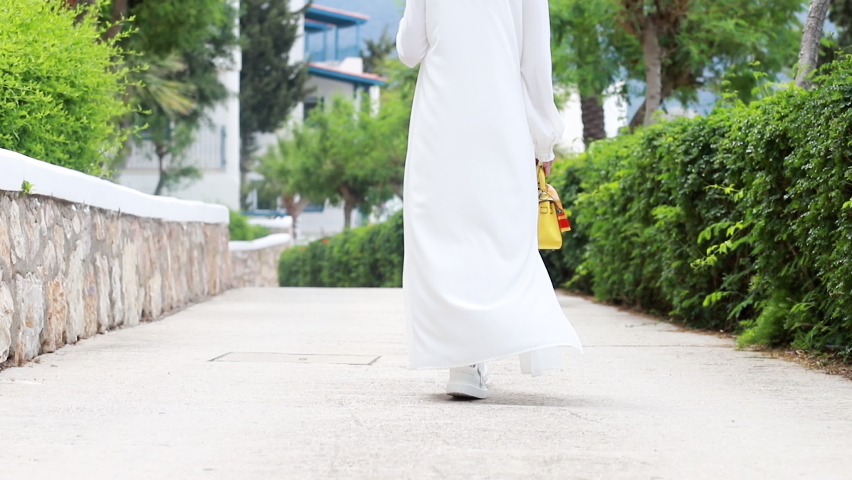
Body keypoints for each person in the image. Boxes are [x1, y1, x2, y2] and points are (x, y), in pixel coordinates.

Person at [397, 0, 583, 399]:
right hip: (501, 116)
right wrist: (543, 138)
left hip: (441, 116)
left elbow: (409, 49)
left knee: (443, 233)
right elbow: (535, 62)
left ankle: (464, 364)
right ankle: (485, 347)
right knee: (498, 233)